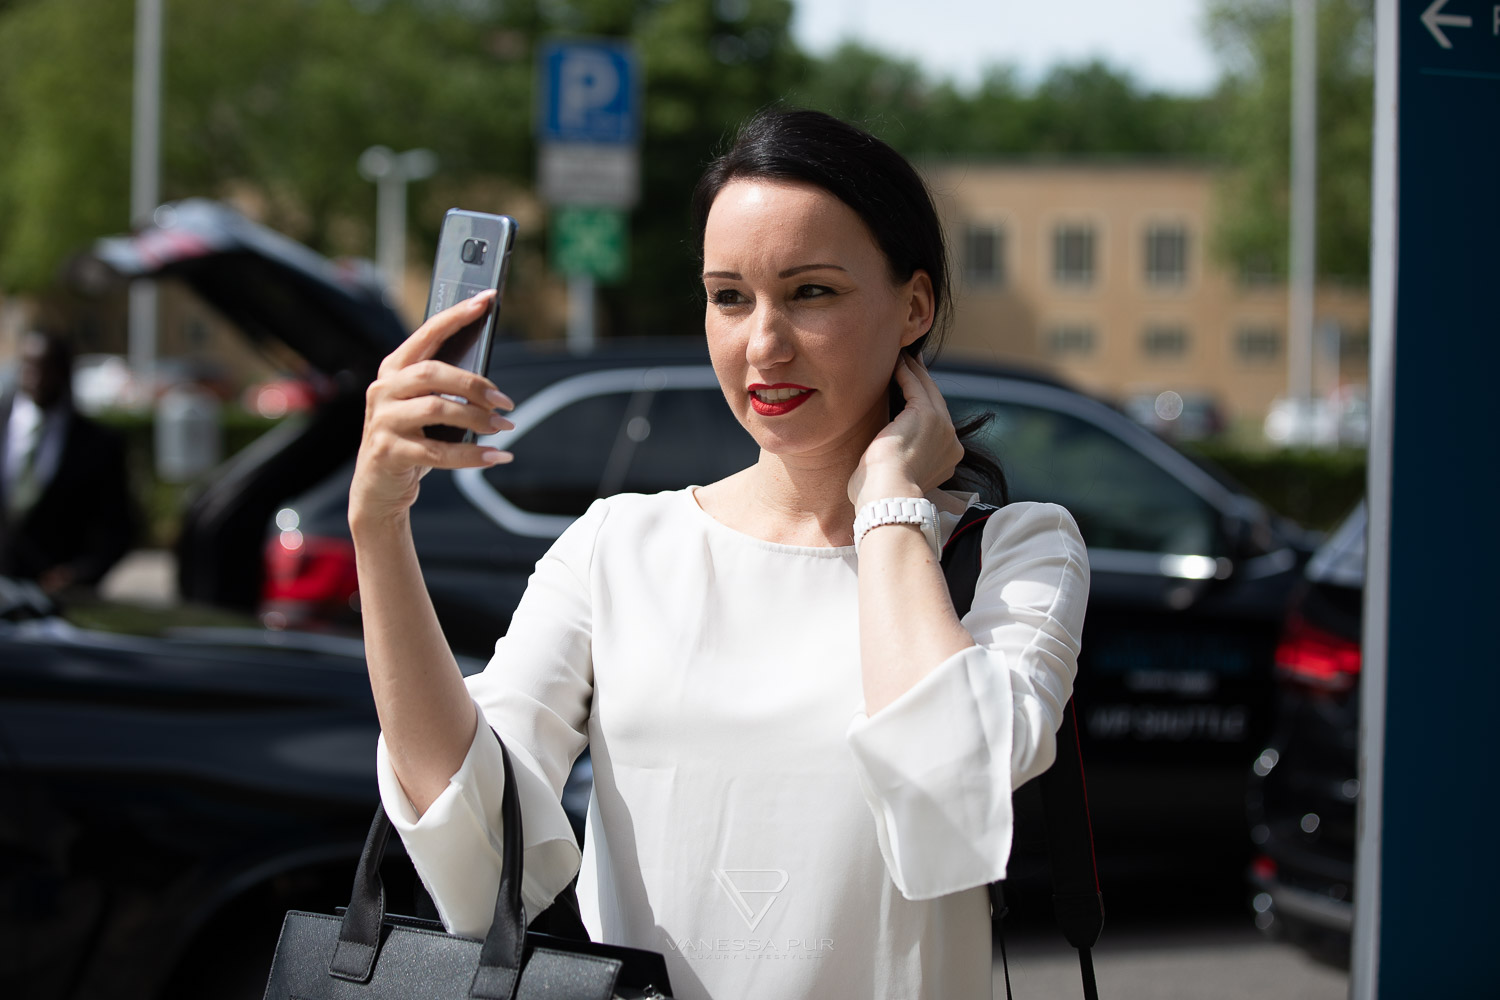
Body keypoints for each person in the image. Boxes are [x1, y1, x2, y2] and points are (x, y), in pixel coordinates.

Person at [352, 108, 1089, 1000]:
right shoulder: (619, 547)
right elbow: (474, 841)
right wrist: (378, 528)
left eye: (812, 291)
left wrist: (891, 505)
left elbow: (952, 779)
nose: (763, 343)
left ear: (915, 305)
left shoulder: (1018, 551)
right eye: (730, 296)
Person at [0, 329, 135, 593]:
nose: (37, 379)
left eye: (47, 369)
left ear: (65, 373)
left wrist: (81, 573)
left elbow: (118, 525)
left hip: (62, 599)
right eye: (30, 367)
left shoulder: (98, 444)